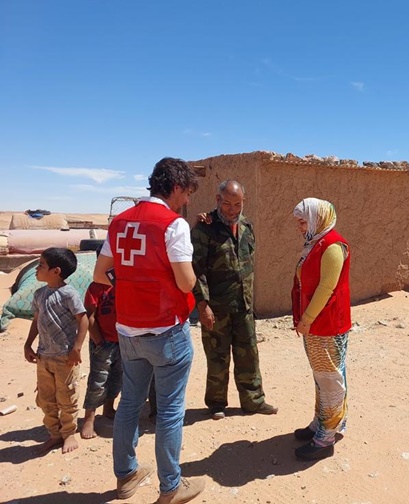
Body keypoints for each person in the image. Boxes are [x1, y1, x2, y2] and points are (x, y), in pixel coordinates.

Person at [94, 157, 205, 503]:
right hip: (166, 330)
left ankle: (126, 475)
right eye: (186, 192)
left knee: (129, 402)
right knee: (171, 410)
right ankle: (171, 487)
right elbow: (186, 283)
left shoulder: (120, 222)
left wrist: (132, 282)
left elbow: (101, 273)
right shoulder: (173, 225)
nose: (187, 200)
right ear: (174, 187)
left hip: (128, 330)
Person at [191, 180, 277, 420]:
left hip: (244, 305)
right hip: (216, 307)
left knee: (249, 355)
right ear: (218, 200)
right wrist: (203, 304)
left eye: (237, 204)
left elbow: (247, 261)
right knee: (217, 357)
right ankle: (216, 404)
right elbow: (195, 269)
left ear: (244, 202)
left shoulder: (247, 225)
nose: (231, 209)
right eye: (227, 203)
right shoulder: (204, 228)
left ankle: (254, 401)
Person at [291, 198, 351, 461]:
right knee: (322, 376)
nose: (300, 227)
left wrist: (306, 319)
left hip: (326, 324)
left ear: (318, 219)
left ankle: (326, 437)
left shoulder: (333, 246)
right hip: (316, 324)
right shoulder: (316, 244)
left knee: (329, 379)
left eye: (303, 222)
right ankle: (322, 423)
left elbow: (327, 288)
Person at [23, 247, 88, 454]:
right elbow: (36, 320)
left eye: (41, 265)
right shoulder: (39, 294)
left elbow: (83, 319)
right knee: (45, 397)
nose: (37, 269)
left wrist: (76, 348)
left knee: (67, 396)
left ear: (56, 271)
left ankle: (69, 433)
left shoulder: (69, 294)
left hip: (65, 357)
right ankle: (54, 433)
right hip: (43, 356)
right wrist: (28, 344)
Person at [80, 249, 121, 439]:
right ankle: (89, 418)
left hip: (124, 341)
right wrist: (98, 340)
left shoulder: (123, 284)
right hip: (103, 341)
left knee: (117, 377)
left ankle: (109, 408)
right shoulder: (96, 286)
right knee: (98, 380)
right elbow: (90, 314)